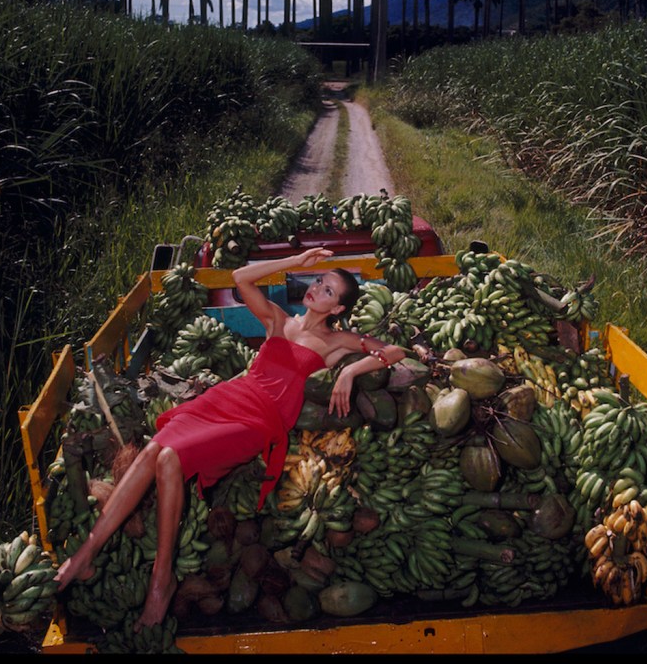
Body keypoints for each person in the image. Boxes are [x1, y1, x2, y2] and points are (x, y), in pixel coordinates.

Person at [54, 246, 406, 630]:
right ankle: (87, 553)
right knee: (158, 450)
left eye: (328, 291)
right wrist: (296, 261)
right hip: (229, 397)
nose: (317, 288)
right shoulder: (279, 320)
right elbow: (240, 278)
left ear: (338, 309)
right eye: (319, 281)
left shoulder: (338, 341)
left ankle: (161, 581)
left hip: (260, 420)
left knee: (171, 457)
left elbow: (394, 350)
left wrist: (349, 373)